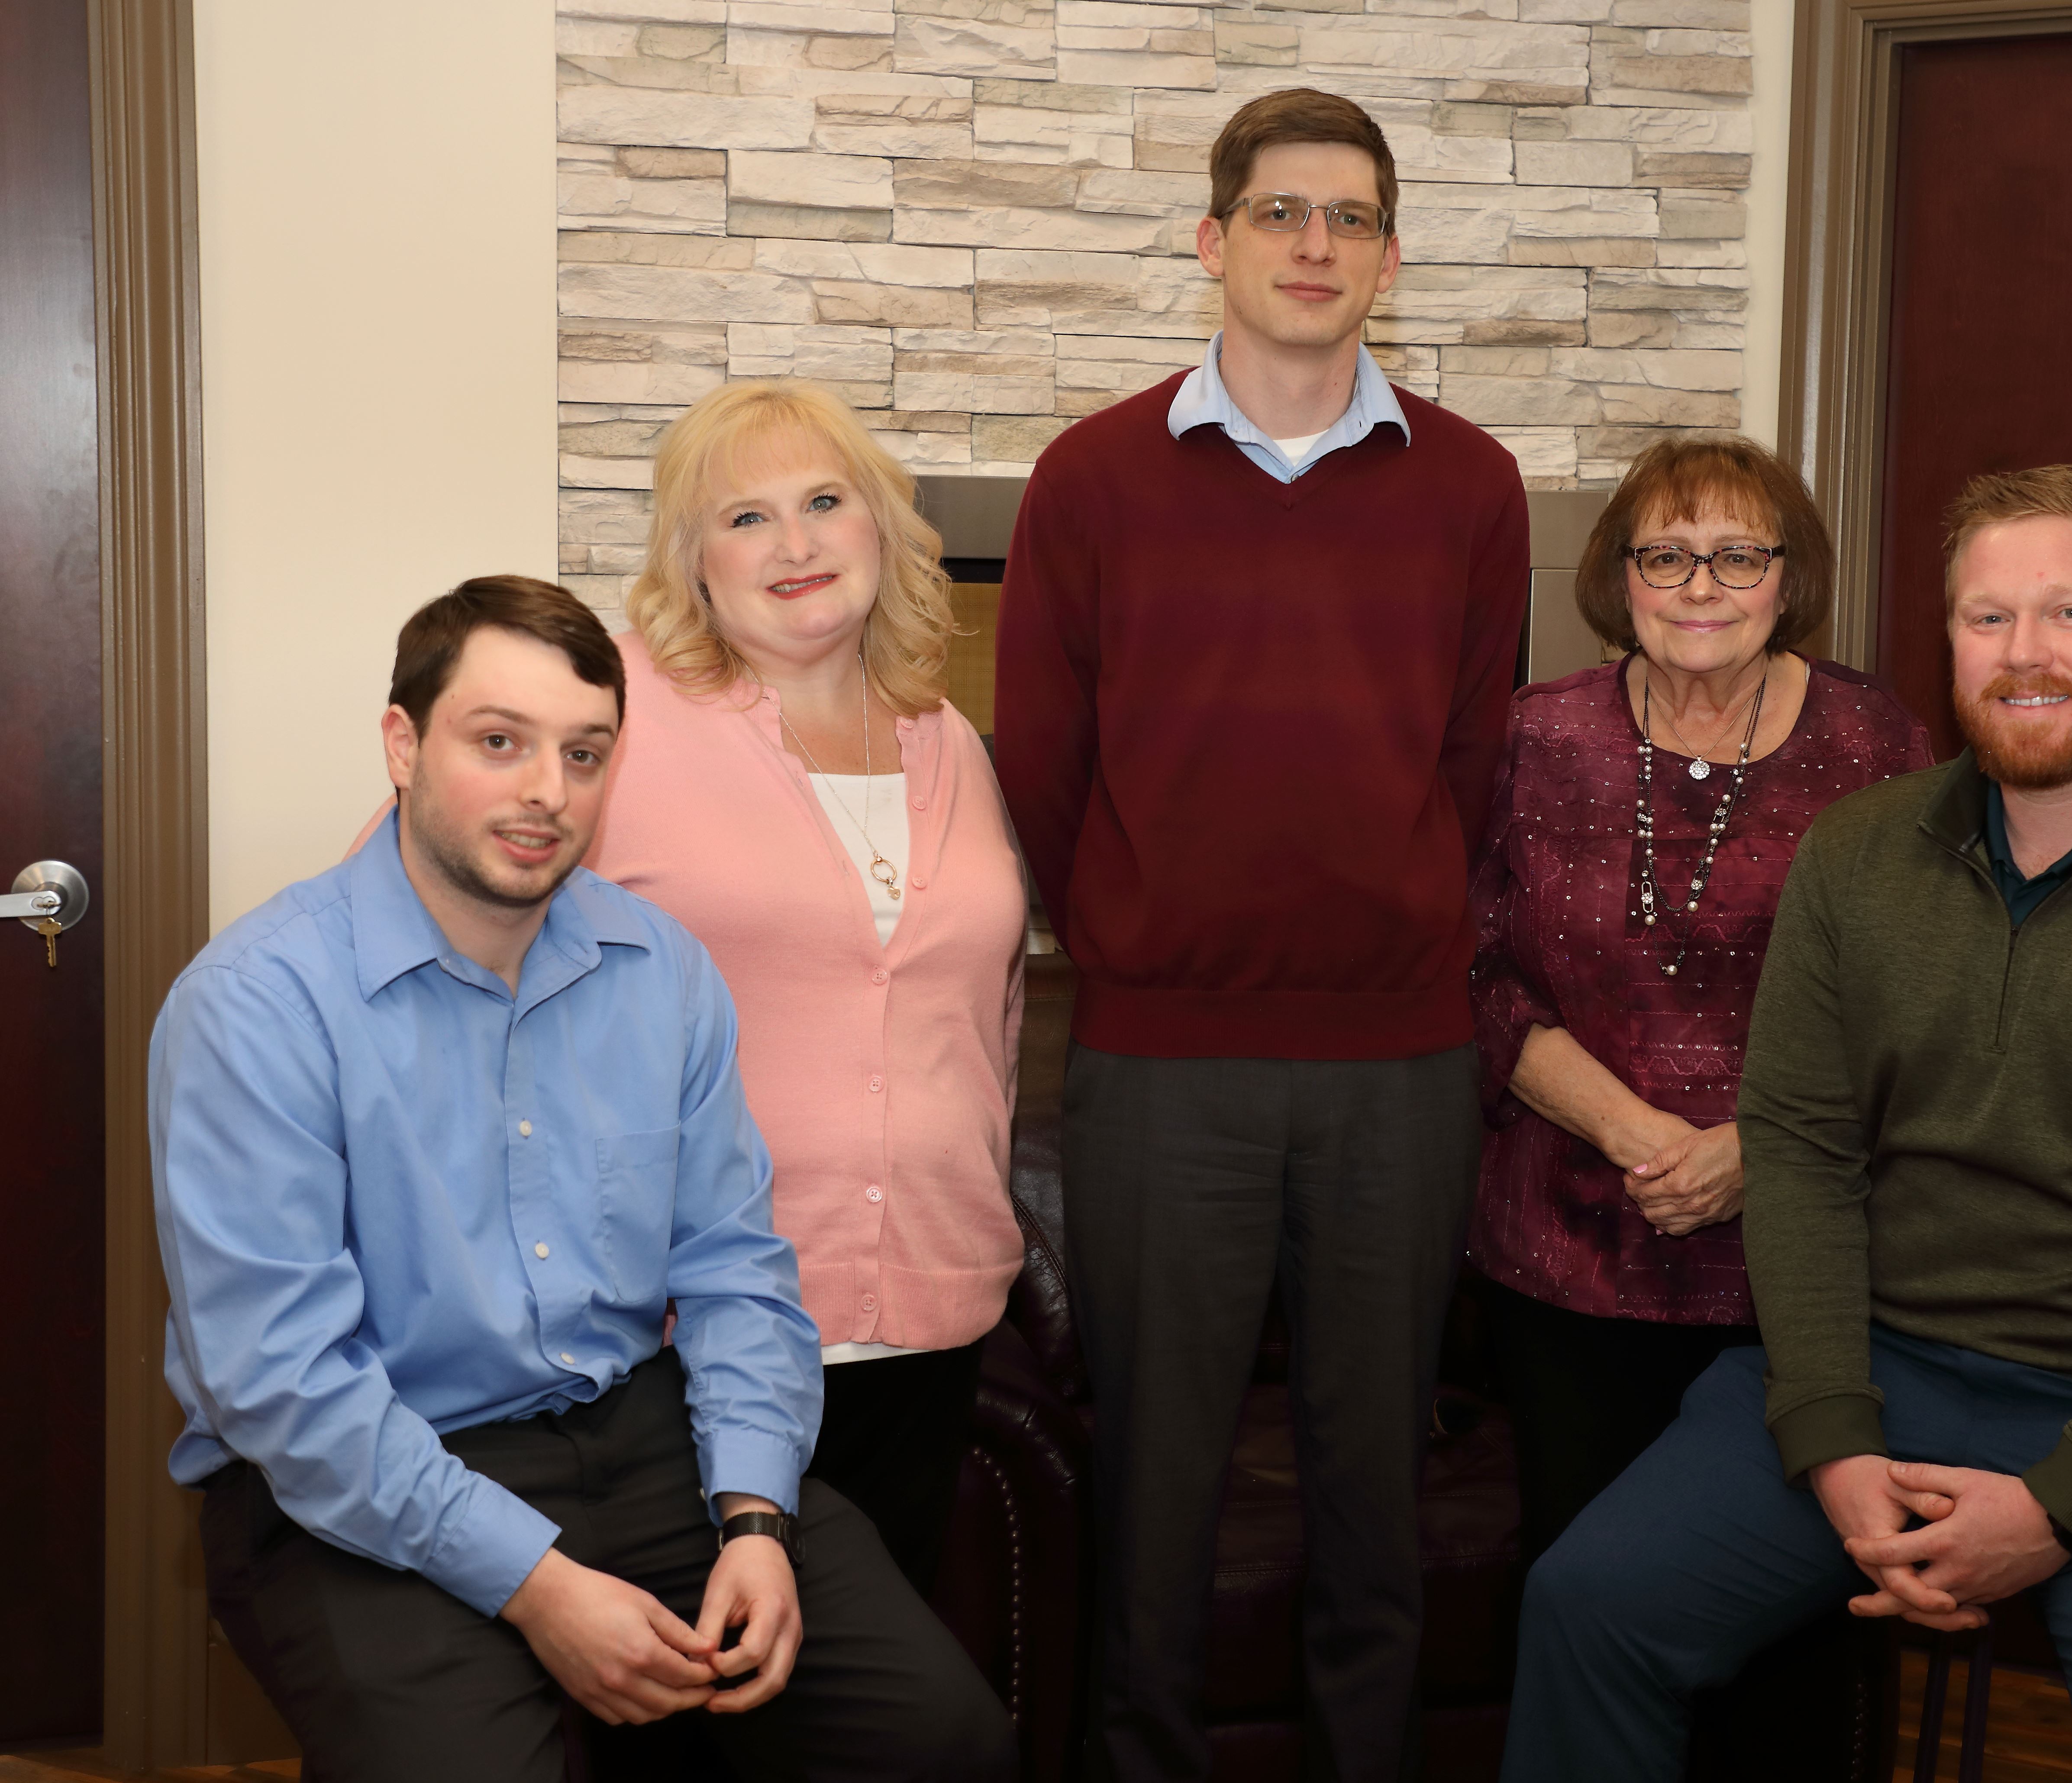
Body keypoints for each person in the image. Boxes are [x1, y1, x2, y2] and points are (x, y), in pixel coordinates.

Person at [1505, 467, 2072, 1782]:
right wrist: (1830, 1433)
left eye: (2067, 615)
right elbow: (1801, 1155)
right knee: (1588, 1606)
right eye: (1986, 620)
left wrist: (2063, 1504)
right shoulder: (1858, 853)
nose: (2023, 656)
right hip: (1890, 1367)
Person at [155, 578, 1013, 1781]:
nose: (546, 792)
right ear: (403, 746)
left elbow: (733, 1270)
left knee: (945, 1739)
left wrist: (758, 1519)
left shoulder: (659, 968)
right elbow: (285, 1387)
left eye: (585, 752)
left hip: (639, 1437)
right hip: (359, 1469)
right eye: (498, 743)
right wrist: (541, 1587)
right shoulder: (258, 1004)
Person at [993, 87, 1530, 1783]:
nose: (1317, 247)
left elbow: (1471, 756)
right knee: (1157, 1479)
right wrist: (1143, 944)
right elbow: (1045, 768)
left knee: (1370, 1472)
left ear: (1388, 254)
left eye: (1351, 218)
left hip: (1399, 1064)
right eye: (1283, 214)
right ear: (1214, 239)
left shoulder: (1471, 485)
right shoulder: (1090, 479)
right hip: (1163, 1063)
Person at [591, 377, 1029, 1596]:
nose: (792, 544)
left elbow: (983, 1013)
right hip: (688, 1328)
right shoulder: (616, 714)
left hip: (931, 1316)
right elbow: (419, 905)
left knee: (871, 1713)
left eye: (824, 502)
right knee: (702, 1695)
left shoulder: (945, 738)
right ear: (691, 564)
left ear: (881, 528)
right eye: (744, 518)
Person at [1467, 435, 1930, 1571]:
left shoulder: (1878, 747)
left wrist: (1754, 1149)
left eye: (1736, 557)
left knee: (1773, 1623)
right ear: (1618, 579)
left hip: (1799, 1269)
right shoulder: (1532, 737)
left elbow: (1924, 1001)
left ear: (1791, 575)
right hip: (1563, 1257)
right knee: (1579, 1589)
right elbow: (1476, 975)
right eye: (1664, 558)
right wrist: (1631, 1130)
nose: (1700, 589)